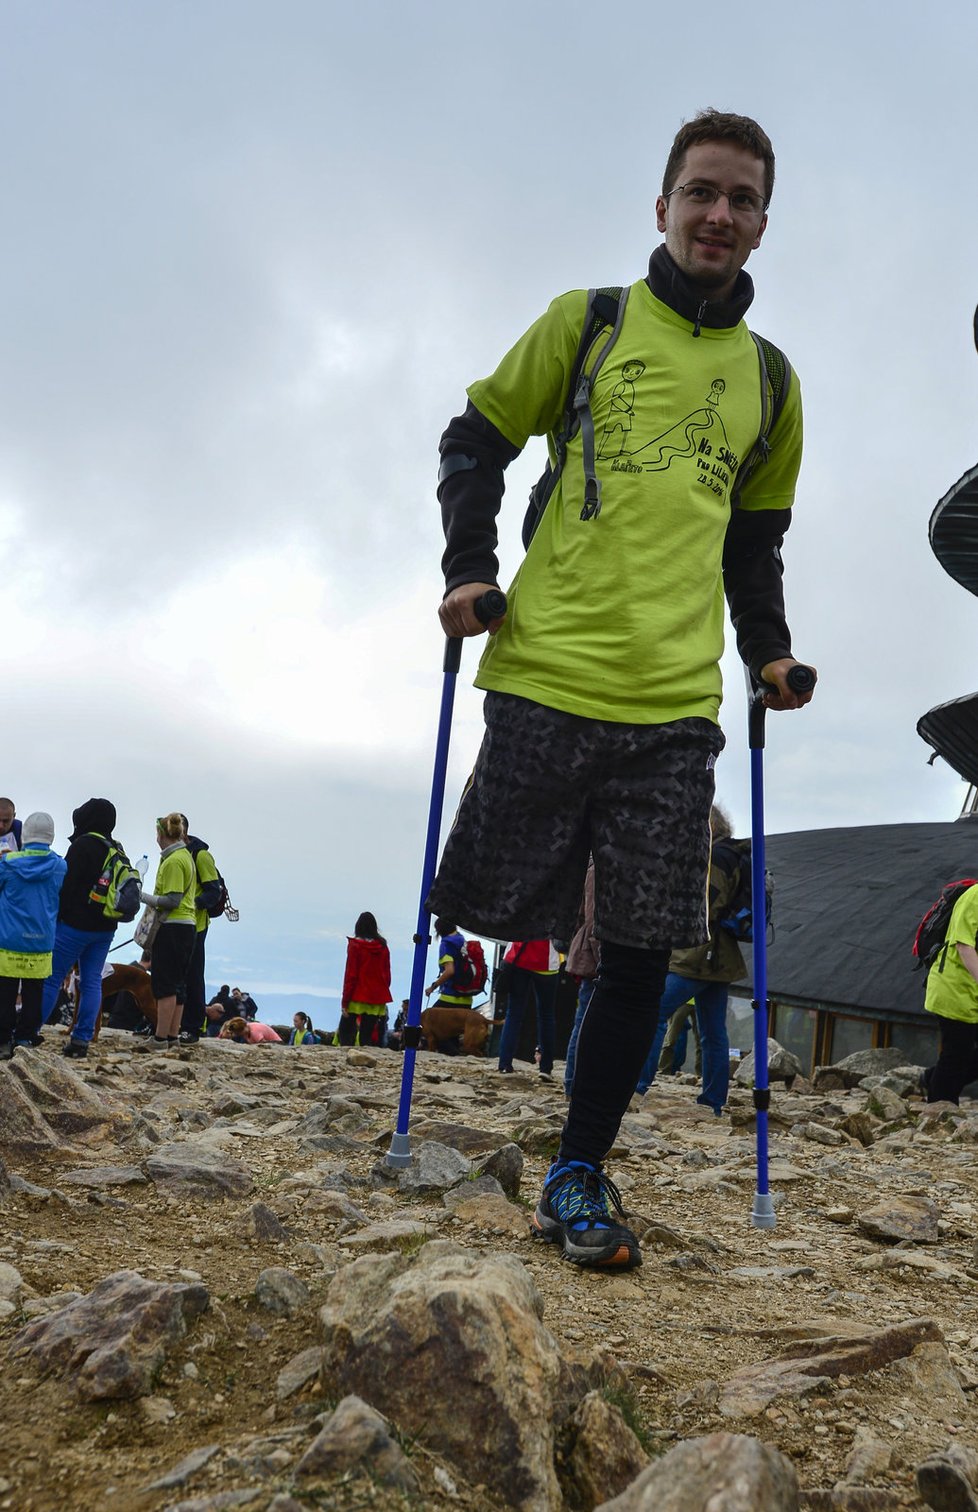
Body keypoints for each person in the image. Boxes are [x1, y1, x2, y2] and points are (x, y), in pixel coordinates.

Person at [426, 109, 815, 1270]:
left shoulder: (772, 383)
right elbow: (472, 439)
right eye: (701, 192)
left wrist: (771, 652)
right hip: (544, 674)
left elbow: (755, 545)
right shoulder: (587, 324)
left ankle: (577, 1168)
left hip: (672, 710)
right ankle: (473, 1086)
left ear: (761, 226)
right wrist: (469, 570)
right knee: (490, 909)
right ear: (662, 206)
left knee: (645, 950)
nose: (718, 215)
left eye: (742, 201)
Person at [636, 805, 746, 1111]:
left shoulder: (716, 858)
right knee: (713, 1031)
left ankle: (637, 1087)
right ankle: (712, 1101)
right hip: (721, 957)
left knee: (654, 1012)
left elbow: (707, 904)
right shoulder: (735, 856)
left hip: (698, 953)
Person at [41, 798, 126, 1058]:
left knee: (51, 978)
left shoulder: (82, 845)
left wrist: (57, 918)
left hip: (74, 926)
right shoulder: (117, 849)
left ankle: (28, 1032)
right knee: (91, 982)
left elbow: (66, 888)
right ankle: (81, 1040)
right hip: (105, 929)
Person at [0, 814, 66, 1058]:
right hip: (40, 941)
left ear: (24, 835)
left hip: (7, 938)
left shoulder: (7, 863)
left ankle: (3, 1041)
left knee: (4, 994)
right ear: (51, 837)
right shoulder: (60, 866)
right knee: (34, 993)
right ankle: (25, 1037)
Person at [138, 813, 197, 1050]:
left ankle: (160, 1037)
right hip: (188, 926)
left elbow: (172, 900)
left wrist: (143, 897)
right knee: (179, 983)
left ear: (161, 834)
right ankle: (173, 1036)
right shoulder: (185, 856)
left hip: (172, 926)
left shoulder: (173, 861)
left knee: (164, 983)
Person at [922, 882, 978, 1104]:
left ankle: (933, 1078)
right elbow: (963, 946)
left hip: (970, 994)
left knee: (958, 1057)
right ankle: (939, 1113)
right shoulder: (975, 897)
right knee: (955, 1054)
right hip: (954, 989)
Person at [178, 816, 224, 1044]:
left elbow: (213, 891)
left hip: (196, 925)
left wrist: (191, 903)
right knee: (173, 975)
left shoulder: (201, 856)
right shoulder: (175, 855)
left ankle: (192, 1027)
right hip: (176, 924)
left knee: (193, 976)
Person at [496, 939, 563, 1077]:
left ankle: (504, 1064)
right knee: (546, 1015)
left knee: (513, 1013)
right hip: (546, 961)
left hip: (518, 957)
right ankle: (545, 1068)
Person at [564, 863, 598, 1097]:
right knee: (585, 1023)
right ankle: (573, 1084)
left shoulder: (588, 866)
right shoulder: (596, 869)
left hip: (589, 954)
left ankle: (574, 1083)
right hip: (593, 956)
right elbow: (594, 919)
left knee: (584, 1022)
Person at [341, 912, 392, 1048]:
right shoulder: (382, 946)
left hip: (357, 994)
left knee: (345, 1031)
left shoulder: (355, 946)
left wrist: (345, 1001)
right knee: (367, 1034)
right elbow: (387, 973)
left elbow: (351, 974)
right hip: (376, 996)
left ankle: (349, 1058)